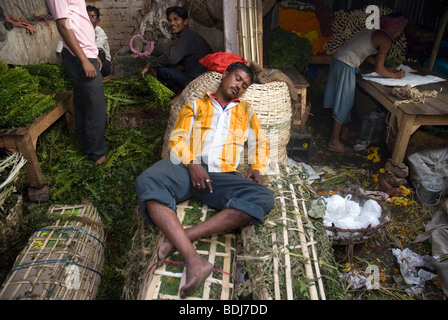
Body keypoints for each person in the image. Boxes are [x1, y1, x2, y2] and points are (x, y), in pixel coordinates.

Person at [135, 62, 274, 298]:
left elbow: (260, 142)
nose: (239, 86)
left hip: (222, 177)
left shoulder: (246, 111)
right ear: (224, 75)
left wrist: (258, 168)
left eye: (245, 85)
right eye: (237, 78)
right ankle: (194, 260)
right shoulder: (196, 104)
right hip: (188, 169)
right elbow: (177, 139)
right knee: (149, 179)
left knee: (264, 198)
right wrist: (193, 164)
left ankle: (181, 239)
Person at [323, 15, 408, 153]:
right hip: (346, 65)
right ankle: (334, 142)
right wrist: (396, 76)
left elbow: (369, 57)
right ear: (392, 28)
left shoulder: (371, 31)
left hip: (338, 61)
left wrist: (388, 69)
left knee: (342, 100)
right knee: (344, 102)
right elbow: (378, 69)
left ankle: (344, 133)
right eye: (399, 30)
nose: (399, 35)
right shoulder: (386, 39)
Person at [47, 0, 107, 164]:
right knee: (96, 108)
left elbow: (78, 23)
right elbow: (63, 25)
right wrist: (84, 59)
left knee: (83, 104)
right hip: (78, 57)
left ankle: (89, 148)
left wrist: (92, 54)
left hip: (86, 54)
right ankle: (98, 154)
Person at [140, 6, 212, 90]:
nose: (172, 23)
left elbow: (172, 57)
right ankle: (178, 92)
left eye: (176, 19)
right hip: (198, 77)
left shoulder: (188, 35)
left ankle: (178, 93)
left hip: (198, 81)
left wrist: (150, 65)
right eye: (170, 20)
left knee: (161, 70)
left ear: (185, 21)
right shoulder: (187, 34)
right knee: (166, 69)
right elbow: (180, 63)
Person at [86, 5, 111, 77]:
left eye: (93, 17)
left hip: (103, 63)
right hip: (87, 59)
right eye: (88, 16)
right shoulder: (81, 32)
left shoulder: (99, 32)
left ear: (98, 20)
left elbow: (97, 48)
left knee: (96, 53)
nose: (90, 19)